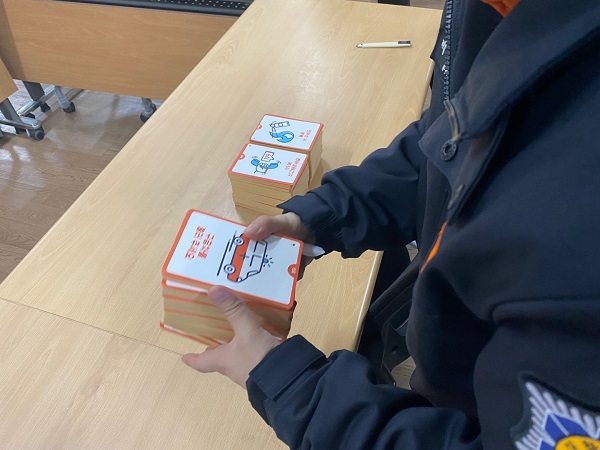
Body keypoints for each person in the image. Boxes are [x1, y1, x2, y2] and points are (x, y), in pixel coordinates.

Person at [182, 0, 600, 448]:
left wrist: (293, 388)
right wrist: (322, 215)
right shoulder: (500, 12)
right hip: (452, 360)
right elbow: (453, 139)